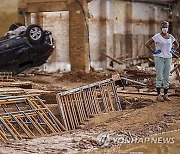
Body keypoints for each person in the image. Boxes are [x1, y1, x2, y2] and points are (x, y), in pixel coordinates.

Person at [145, 21, 179, 102]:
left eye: (166, 27)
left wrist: (173, 50)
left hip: (168, 57)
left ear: (168, 27)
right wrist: (153, 51)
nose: (165, 28)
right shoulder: (157, 36)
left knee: (166, 77)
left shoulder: (170, 37)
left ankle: (165, 95)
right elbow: (147, 44)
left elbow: (177, 44)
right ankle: (159, 95)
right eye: (163, 27)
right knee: (159, 76)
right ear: (161, 28)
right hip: (159, 57)